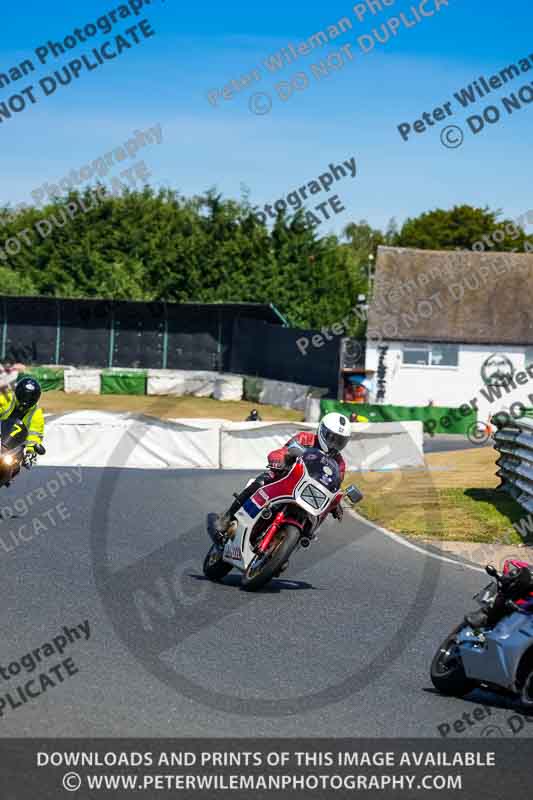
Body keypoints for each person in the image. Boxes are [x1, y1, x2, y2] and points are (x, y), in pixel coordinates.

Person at [216, 412, 351, 538]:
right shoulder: (305, 438)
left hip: (310, 496)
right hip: (287, 480)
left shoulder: (339, 463)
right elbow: (283, 451)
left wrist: (335, 503)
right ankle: (228, 517)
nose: (334, 445)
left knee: (315, 521)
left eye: (340, 441)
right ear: (322, 431)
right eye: (332, 438)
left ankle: (288, 549)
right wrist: (278, 461)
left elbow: (335, 485)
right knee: (262, 481)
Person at [0, 377, 45, 468]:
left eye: (30, 398)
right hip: (1, 435)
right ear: (17, 392)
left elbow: (34, 435)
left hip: (15, 446)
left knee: (16, 465)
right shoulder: (6, 398)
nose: (26, 400)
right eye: (23, 395)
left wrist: (30, 451)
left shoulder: (37, 413)